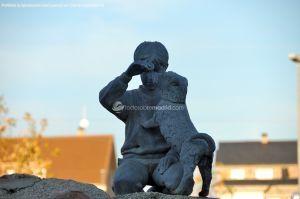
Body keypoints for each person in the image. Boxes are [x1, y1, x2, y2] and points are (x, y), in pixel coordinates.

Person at [99, 41, 180, 195]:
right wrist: (127, 75)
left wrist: (173, 155)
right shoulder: (129, 100)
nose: (150, 76)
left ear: (165, 69)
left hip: (166, 160)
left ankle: (157, 192)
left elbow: (182, 134)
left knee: (178, 182)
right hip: (134, 161)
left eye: (156, 70)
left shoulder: (173, 100)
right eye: (144, 71)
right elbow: (105, 98)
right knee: (123, 182)